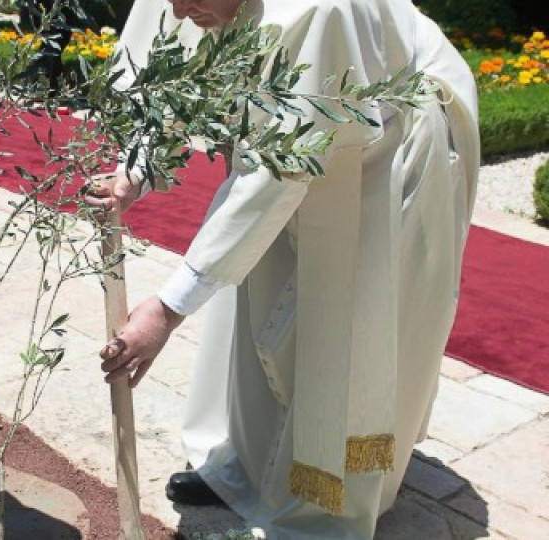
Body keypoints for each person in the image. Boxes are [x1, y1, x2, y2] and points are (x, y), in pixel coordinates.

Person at [88, 0, 479, 538]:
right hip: (301, 132)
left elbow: (275, 175)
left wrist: (167, 308)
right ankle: (246, 471)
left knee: (341, 327)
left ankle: (325, 505)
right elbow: (174, 69)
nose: (177, 8)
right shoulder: (192, 1)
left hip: (390, 138)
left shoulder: (319, 11)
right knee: (258, 289)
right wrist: (135, 169)